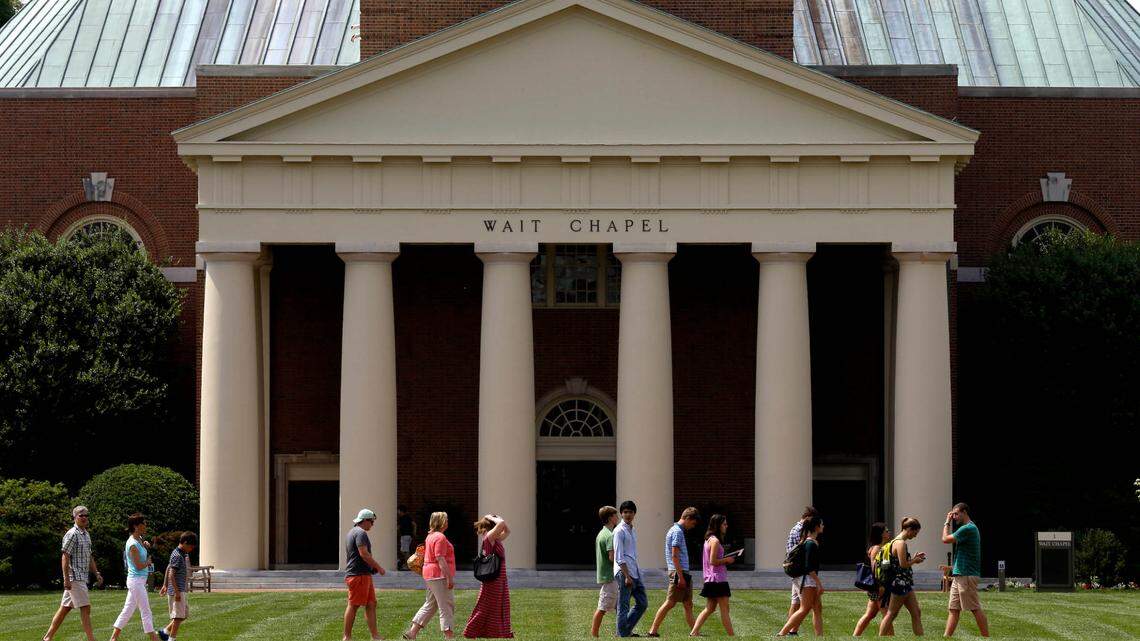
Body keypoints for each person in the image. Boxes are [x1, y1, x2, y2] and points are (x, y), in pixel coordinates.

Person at [43, 505, 102, 641]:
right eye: (81, 515)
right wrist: (66, 579)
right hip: (74, 577)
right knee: (86, 608)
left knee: (65, 609)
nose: (84, 518)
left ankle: (47, 638)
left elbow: (89, 557)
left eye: (86, 515)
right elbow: (65, 556)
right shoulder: (72, 534)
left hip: (82, 577)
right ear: (74, 517)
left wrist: (96, 572)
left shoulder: (86, 534)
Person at [647, 507, 701, 637]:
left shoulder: (677, 531)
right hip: (678, 572)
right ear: (688, 519)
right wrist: (681, 577)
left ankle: (695, 632)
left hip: (683, 572)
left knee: (688, 604)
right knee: (670, 602)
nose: (693, 526)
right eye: (693, 523)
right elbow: (674, 556)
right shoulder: (677, 532)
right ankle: (652, 631)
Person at [404, 512, 456, 640]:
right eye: (446, 519)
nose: (448, 522)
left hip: (429, 574)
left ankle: (412, 633)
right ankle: (448, 636)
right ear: (442, 522)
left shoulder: (431, 536)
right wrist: (449, 577)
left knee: (431, 604)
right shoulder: (440, 537)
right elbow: (440, 558)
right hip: (438, 575)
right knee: (446, 605)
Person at [942, 503, 989, 638]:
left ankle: (986, 637)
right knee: (953, 609)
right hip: (960, 574)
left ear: (964, 512)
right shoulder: (966, 529)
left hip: (966, 575)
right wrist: (952, 568)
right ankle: (946, 637)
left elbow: (945, 539)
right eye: (953, 514)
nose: (954, 517)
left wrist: (947, 522)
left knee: (974, 608)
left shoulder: (968, 528)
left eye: (956, 514)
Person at [110, 513, 160, 641]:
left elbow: (140, 546)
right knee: (146, 610)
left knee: (128, 610)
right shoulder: (132, 544)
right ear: (136, 526)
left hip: (138, 581)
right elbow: (138, 565)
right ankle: (153, 637)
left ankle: (113, 638)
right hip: (136, 581)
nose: (146, 525)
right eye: (144, 523)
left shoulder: (139, 540)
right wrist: (148, 563)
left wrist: (144, 544)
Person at [464, 514, 513, 638]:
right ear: (492, 526)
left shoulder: (495, 539)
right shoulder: (489, 537)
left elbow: (507, 530)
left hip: (500, 577)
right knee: (486, 606)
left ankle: (494, 632)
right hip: (493, 578)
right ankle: (471, 631)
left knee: (498, 605)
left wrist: (498, 517)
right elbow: (501, 524)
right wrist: (491, 517)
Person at [877, 517, 926, 637]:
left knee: (916, 612)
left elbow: (900, 562)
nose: (915, 536)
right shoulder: (900, 543)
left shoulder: (895, 541)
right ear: (909, 529)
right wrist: (915, 560)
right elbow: (903, 564)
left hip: (906, 583)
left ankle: (920, 638)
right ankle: (880, 637)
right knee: (891, 614)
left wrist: (913, 558)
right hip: (900, 583)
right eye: (915, 532)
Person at [343, 508, 387, 641]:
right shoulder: (361, 533)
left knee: (371, 604)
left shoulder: (352, 532)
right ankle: (347, 637)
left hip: (364, 574)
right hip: (358, 575)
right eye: (372, 522)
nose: (372, 525)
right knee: (353, 605)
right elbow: (364, 553)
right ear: (365, 521)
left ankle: (375, 636)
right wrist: (378, 567)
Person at [690, 514, 737, 637]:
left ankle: (694, 632)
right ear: (718, 525)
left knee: (710, 608)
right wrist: (727, 560)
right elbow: (713, 561)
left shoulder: (708, 540)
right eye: (724, 524)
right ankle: (732, 636)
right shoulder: (715, 541)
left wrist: (725, 558)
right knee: (725, 610)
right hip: (718, 579)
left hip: (711, 579)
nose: (726, 526)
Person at [778, 516, 825, 637]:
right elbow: (809, 568)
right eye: (821, 524)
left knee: (817, 608)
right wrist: (819, 584)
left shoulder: (810, 542)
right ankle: (782, 633)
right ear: (816, 527)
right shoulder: (810, 544)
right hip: (807, 580)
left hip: (808, 579)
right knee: (804, 608)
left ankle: (820, 636)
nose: (823, 526)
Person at [613, 500, 647, 638]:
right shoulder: (619, 531)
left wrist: (636, 573)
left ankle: (624, 630)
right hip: (624, 572)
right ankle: (622, 633)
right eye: (625, 512)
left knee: (642, 603)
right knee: (624, 605)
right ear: (621, 513)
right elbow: (619, 556)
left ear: (634, 514)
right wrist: (627, 576)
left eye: (630, 512)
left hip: (634, 571)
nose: (627, 514)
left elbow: (632, 554)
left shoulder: (632, 530)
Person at [158, 532, 197, 641]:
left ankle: (164, 631)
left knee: (184, 615)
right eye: (191, 547)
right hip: (177, 591)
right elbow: (171, 574)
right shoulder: (177, 555)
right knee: (178, 616)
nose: (191, 549)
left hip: (180, 590)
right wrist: (177, 592)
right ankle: (171, 639)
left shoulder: (182, 554)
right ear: (185, 543)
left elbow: (168, 568)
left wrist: (164, 584)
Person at [853, 522, 891, 637]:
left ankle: (855, 636)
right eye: (886, 531)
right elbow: (875, 569)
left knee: (870, 614)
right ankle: (891, 637)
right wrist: (879, 585)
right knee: (887, 615)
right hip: (877, 587)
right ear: (881, 534)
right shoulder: (877, 548)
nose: (889, 532)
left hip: (876, 587)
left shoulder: (880, 547)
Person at [591, 506, 619, 637]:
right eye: (615, 515)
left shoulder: (601, 533)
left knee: (620, 606)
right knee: (603, 607)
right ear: (610, 518)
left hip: (607, 576)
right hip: (610, 577)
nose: (617, 518)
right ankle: (594, 635)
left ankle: (622, 631)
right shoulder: (609, 535)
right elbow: (611, 557)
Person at [398, 506, 418, 571]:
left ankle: (409, 565)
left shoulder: (401, 518)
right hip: (409, 536)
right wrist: (414, 533)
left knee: (405, 551)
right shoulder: (409, 517)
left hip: (404, 536)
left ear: (401, 511)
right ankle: (408, 564)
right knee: (404, 550)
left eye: (398, 511)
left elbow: (398, 527)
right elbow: (414, 524)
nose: (398, 512)